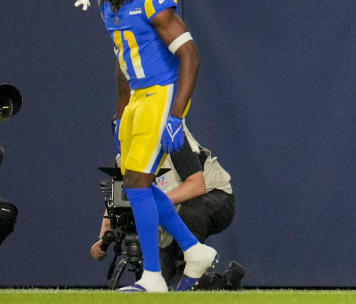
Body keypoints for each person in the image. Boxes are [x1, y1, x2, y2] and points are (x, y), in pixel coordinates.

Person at [76, 0, 218, 292]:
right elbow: (124, 63)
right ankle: (193, 249)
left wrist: (176, 114)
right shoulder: (110, 4)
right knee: (134, 181)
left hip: (162, 93)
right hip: (138, 97)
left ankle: (153, 276)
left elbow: (190, 55)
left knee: (137, 181)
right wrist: (120, 111)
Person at [90, 123, 242, 291]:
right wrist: (103, 236)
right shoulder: (124, 159)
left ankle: (185, 269)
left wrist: (153, 204)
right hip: (173, 212)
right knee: (163, 282)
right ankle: (227, 280)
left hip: (215, 197)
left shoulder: (172, 140)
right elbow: (119, 198)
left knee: (190, 210)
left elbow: (197, 185)